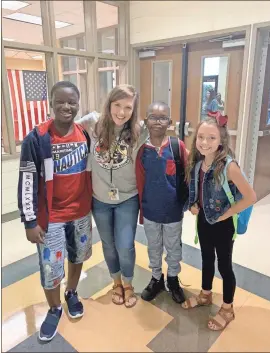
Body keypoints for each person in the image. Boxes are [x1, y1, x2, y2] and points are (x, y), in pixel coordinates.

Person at [18, 81, 93, 341]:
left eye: (71, 101)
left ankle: (71, 293)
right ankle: (54, 308)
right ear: (51, 103)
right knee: (51, 267)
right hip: (51, 218)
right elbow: (27, 181)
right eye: (60, 101)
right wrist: (29, 221)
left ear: (78, 103)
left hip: (81, 212)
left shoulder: (84, 133)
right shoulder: (37, 138)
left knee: (78, 255)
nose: (66, 107)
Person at [182, 111, 256, 330]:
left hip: (223, 225)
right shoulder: (198, 164)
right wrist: (194, 205)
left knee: (224, 265)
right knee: (206, 259)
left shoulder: (229, 167)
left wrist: (226, 214)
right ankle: (205, 294)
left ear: (221, 140)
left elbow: (250, 197)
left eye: (211, 138)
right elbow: (197, 192)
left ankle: (227, 307)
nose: (205, 142)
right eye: (201, 137)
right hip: (204, 221)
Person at [79, 84, 148, 308]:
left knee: (125, 244)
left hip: (127, 198)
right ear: (109, 104)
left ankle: (128, 284)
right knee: (108, 244)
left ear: (134, 109)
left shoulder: (140, 130)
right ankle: (116, 282)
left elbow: (162, 127)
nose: (121, 112)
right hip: (99, 199)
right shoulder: (93, 124)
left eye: (128, 107)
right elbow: (65, 128)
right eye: (117, 105)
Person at [136, 101, 187, 304]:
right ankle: (156, 278)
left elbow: (188, 174)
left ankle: (173, 279)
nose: (158, 122)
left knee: (174, 247)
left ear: (170, 122)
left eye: (163, 117)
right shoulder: (141, 150)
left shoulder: (177, 146)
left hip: (173, 211)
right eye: (153, 117)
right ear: (146, 120)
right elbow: (138, 180)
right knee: (154, 246)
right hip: (150, 211)